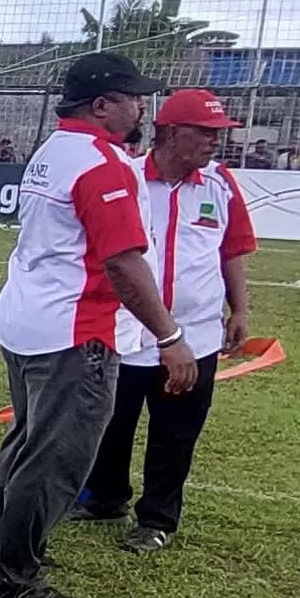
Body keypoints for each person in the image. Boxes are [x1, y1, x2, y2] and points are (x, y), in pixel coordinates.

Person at [0, 53, 188, 598]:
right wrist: (169, 338)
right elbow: (123, 261)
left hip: (31, 319)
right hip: (74, 329)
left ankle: (12, 547)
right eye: (133, 98)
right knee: (57, 456)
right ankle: (11, 570)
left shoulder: (55, 151)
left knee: (28, 440)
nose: (142, 108)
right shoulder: (102, 164)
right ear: (102, 105)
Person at [81, 88, 256, 551]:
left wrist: (240, 309)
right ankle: (106, 497)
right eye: (205, 131)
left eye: (218, 133)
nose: (215, 141)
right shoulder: (127, 176)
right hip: (129, 329)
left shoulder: (220, 183)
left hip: (196, 335)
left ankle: (157, 519)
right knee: (111, 422)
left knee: (176, 431)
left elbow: (232, 250)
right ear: (172, 133)